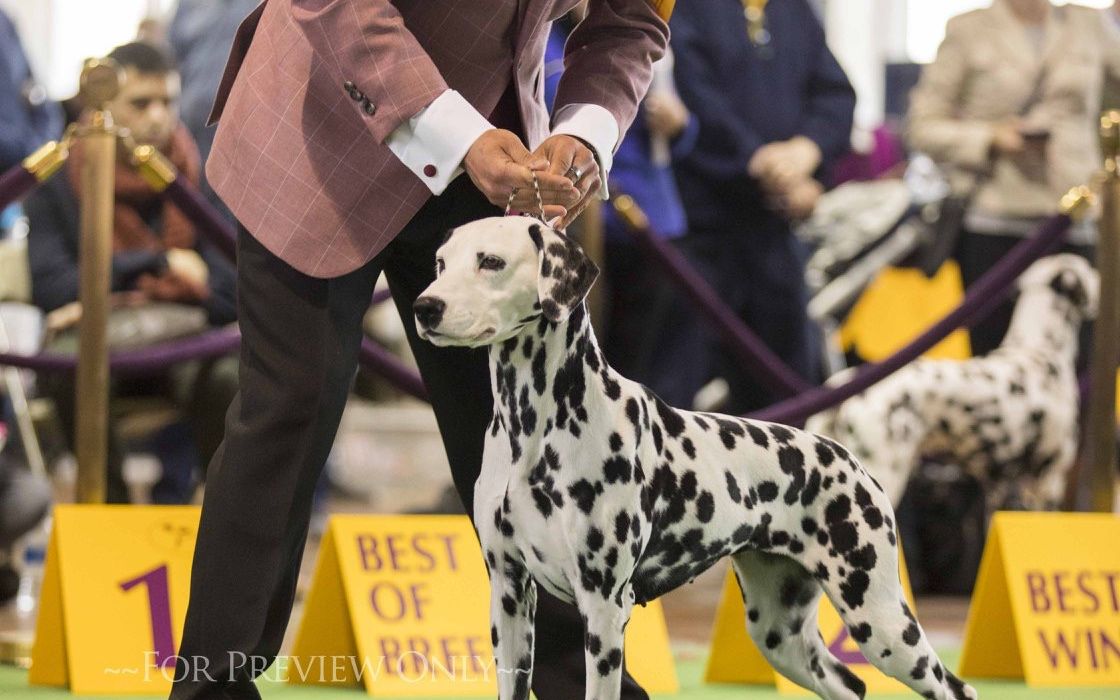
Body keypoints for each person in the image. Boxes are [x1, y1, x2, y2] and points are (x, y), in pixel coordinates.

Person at [168, 2, 668, 700]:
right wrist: (461, 138)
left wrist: (585, 130)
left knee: (520, 423)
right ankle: (211, 686)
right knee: (290, 408)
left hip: (494, 147)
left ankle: (578, 682)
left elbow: (632, 21)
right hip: (322, 121)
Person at [24, 42, 237, 505]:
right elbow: (54, 288)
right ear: (102, 105)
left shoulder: (205, 167)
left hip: (188, 344)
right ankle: (112, 518)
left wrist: (106, 286)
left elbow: (232, 289)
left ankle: (216, 519)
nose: (158, 117)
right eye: (141, 103)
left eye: (168, 102)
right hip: (106, 345)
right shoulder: (58, 175)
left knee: (231, 374)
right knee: (68, 368)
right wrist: (161, 265)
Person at [668, 0, 855, 413]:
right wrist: (758, 161)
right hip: (700, 233)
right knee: (677, 388)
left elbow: (835, 95)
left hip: (775, 231)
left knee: (786, 391)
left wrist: (807, 152)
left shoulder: (793, 10)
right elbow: (694, 97)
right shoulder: (687, 9)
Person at [908, 0, 1120, 355]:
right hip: (996, 224)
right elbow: (921, 127)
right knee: (996, 359)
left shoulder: (1086, 25)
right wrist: (990, 137)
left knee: (1083, 361)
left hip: (1073, 219)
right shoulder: (968, 29)